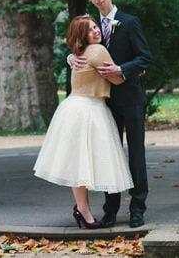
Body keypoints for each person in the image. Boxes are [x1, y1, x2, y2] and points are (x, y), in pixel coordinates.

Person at [34, 15, 133, 229]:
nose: (96, 31)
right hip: (89, 110)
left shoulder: (81, 53)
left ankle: (82, 209)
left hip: (76, 107)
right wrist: (137, 71)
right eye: (90, 30)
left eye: (96, 27)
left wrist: (70, 57)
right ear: (82, 36)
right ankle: (84, 211)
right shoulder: (98, 51)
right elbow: (116, 78)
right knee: (84, 164)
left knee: (78, 165)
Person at [69, 0, 153, 228]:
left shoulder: (129, 22)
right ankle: (111, 210)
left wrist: (121, 69)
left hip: (131, 98)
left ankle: (137, 208)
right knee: (109, 156)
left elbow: (145, 57)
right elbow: (80, 45)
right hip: (104, 102)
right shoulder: (92, 25)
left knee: (135, 155)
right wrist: (69, 58)